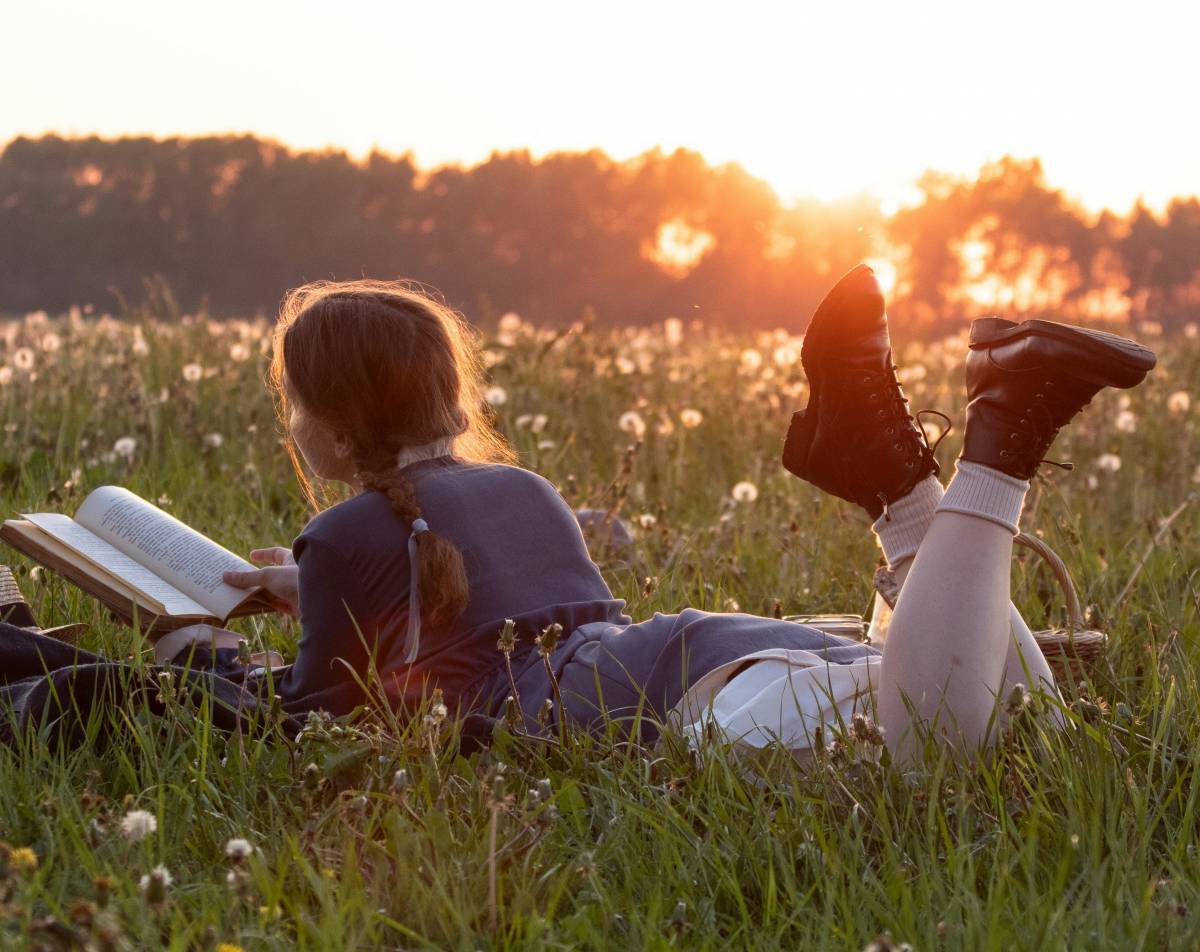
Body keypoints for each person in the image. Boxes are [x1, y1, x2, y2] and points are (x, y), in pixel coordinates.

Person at [0, 270, 1155, 758]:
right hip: (696, 653)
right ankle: (899, 485)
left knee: (942, 746)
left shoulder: (351, 530)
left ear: (322, 425)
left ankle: (1002, 435)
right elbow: (500, 607)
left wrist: (199, 644)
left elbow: (323, 719)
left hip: (667, 709)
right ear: (451, 389)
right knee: (1011, 727)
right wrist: (317, 590)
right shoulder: (517, 487)